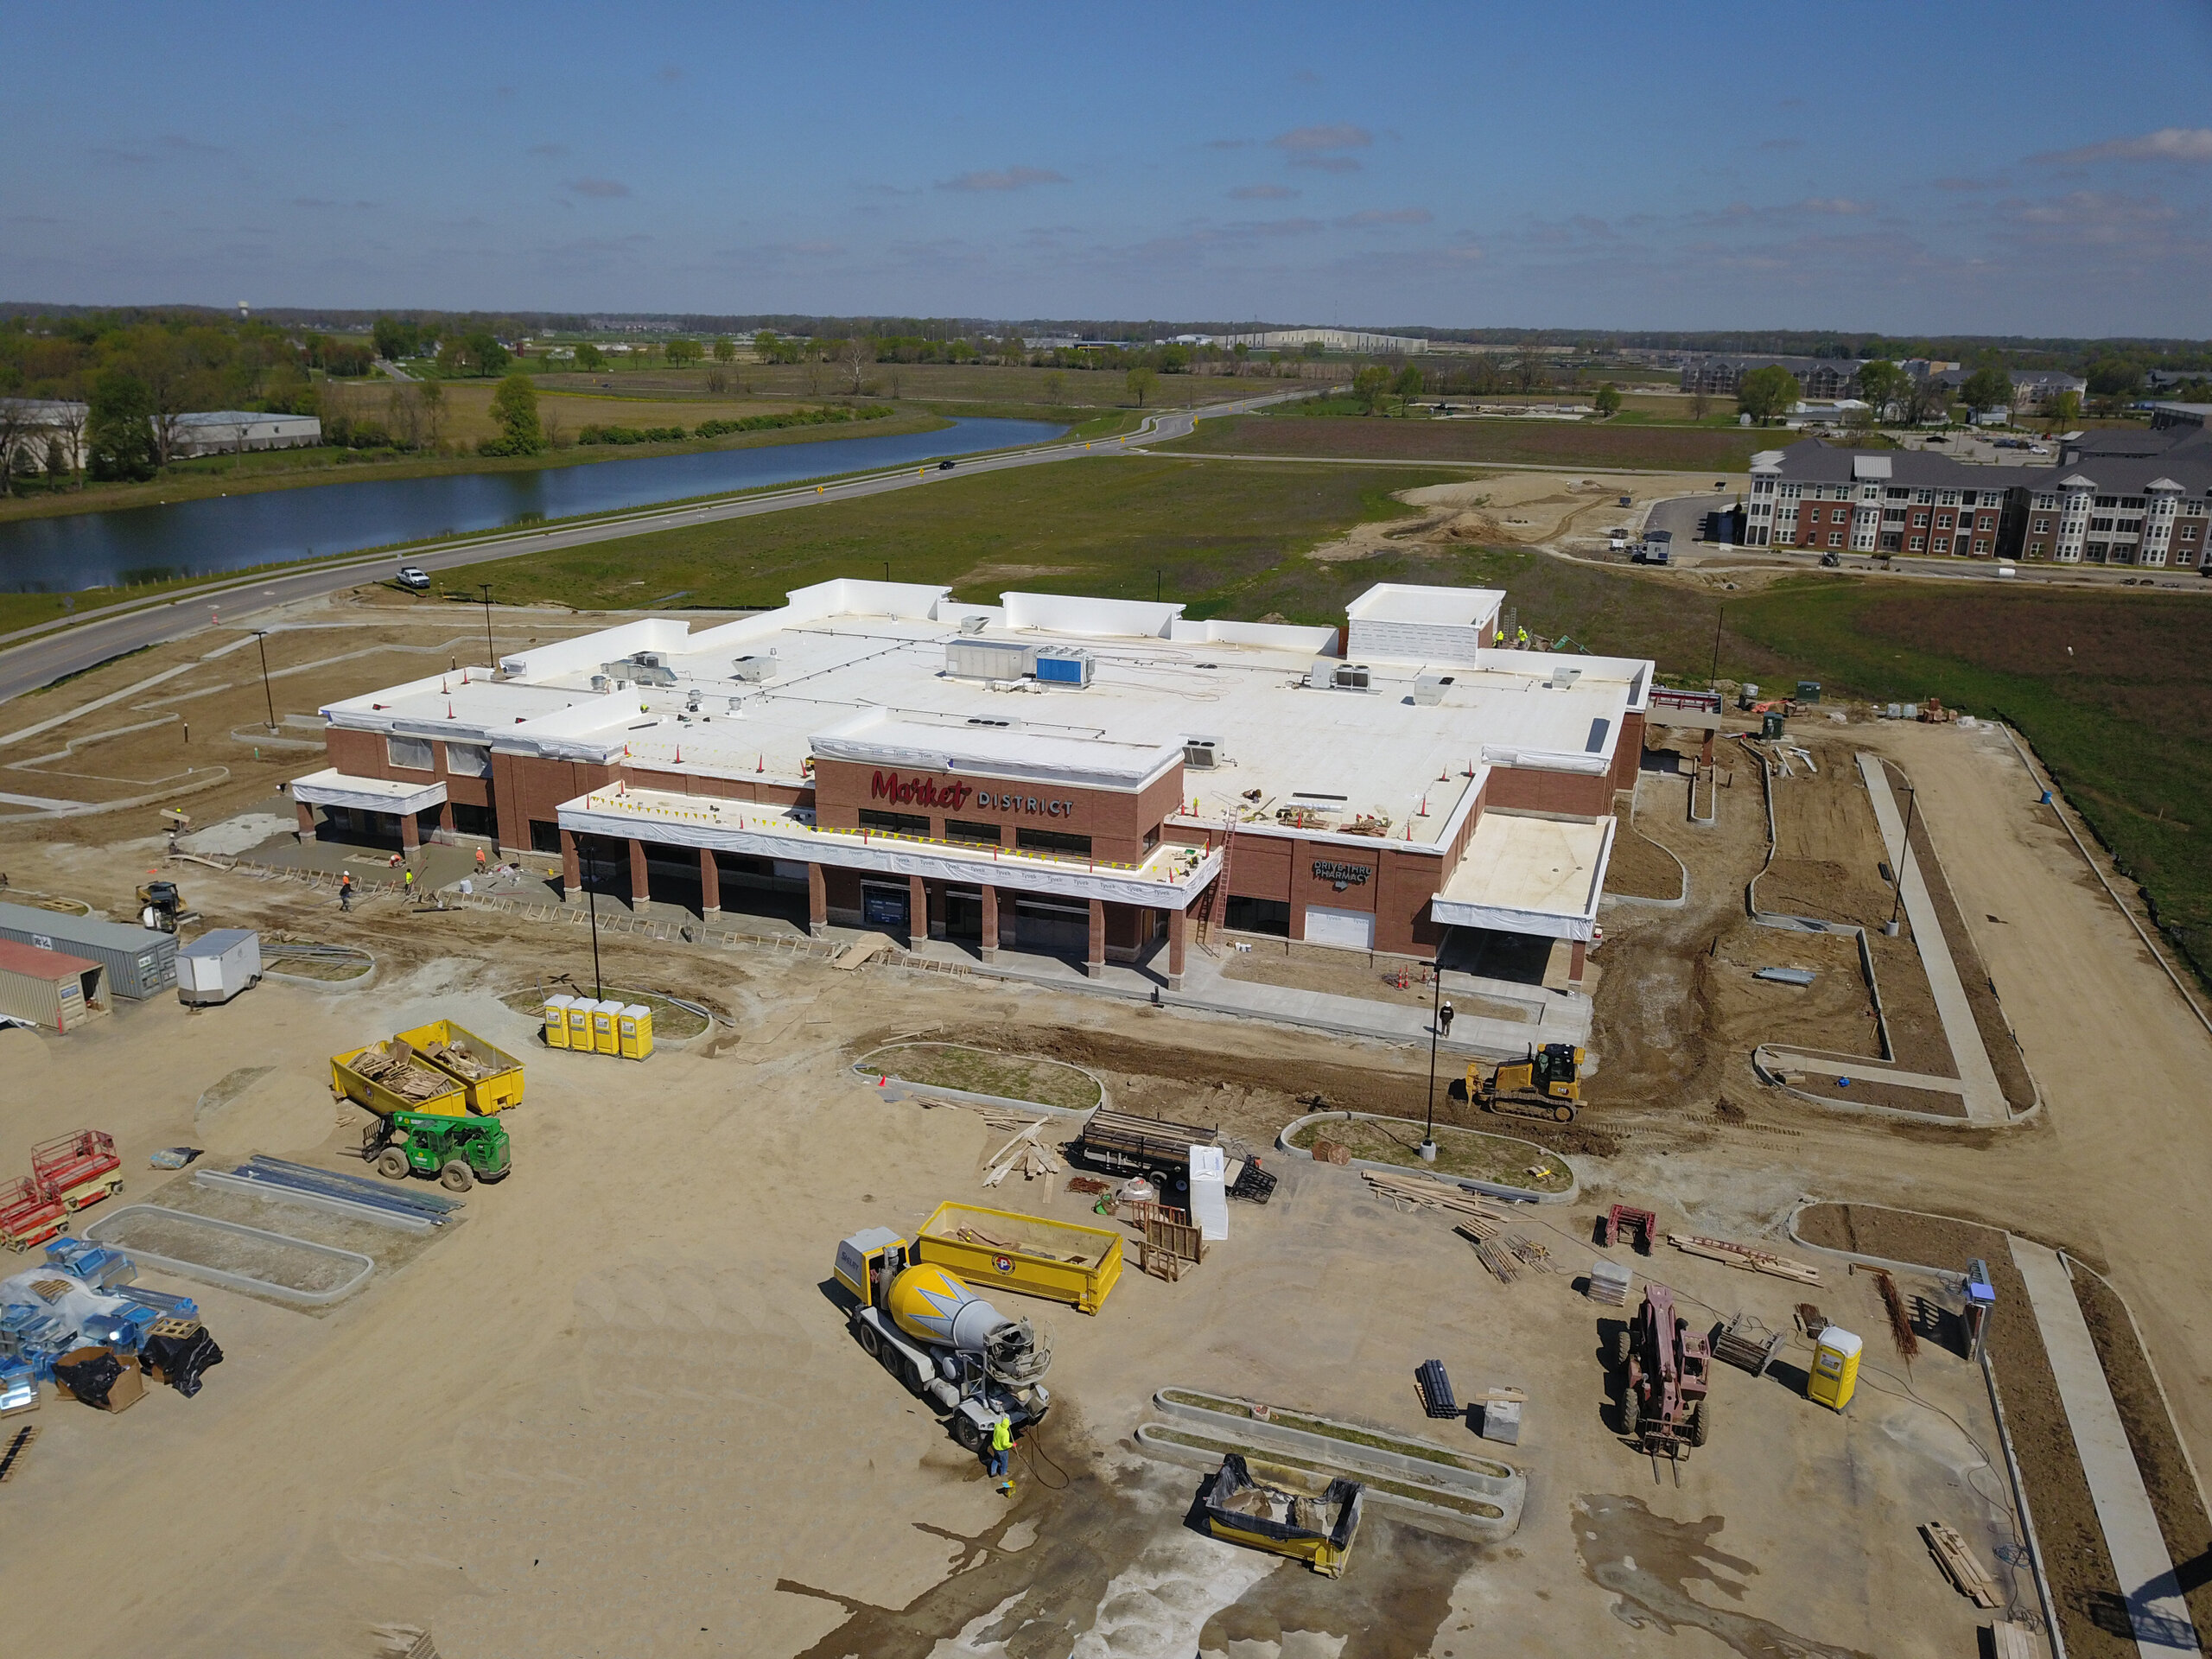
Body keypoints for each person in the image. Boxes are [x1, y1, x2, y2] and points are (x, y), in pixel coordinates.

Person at [986, 1414, 1014, 1489]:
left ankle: (993, 1472)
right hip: (1002, 1450)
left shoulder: (998, 1426)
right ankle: (1003, 1472)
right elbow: (1005, 1444)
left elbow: (996, 1424)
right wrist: (1012, 1444)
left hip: (995, 1447)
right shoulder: (1005, 1433)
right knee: (1004, 1461)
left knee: (996, 1458)